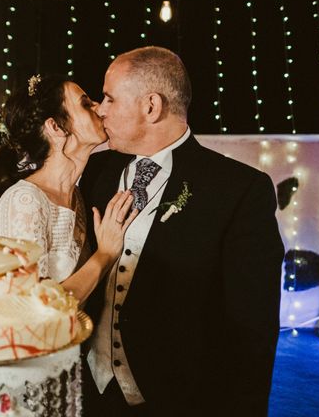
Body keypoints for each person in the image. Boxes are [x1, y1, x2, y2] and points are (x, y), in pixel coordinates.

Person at [79, 46, 284, 416]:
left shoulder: (237, 190)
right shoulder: (95, 172)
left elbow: (251, 328)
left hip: (178, 400)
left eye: (109, 97)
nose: (100, 108)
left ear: (151, 106)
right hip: (89, 392)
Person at [0, 74, 138, 304]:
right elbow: (33, 306)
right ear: (56, 126)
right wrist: (105, 255)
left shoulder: (77, 197)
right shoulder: (24, 201)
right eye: (85, 104)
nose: (99, 108)